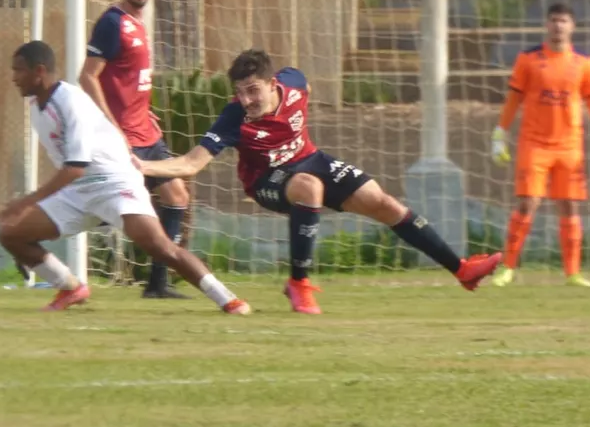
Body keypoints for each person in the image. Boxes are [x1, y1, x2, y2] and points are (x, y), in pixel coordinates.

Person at [134, 49, 502, 314]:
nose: (245, 99)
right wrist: (143, 167)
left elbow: (302, 79)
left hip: (312, 159)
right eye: (240, 92)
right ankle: (299, 283)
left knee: (384, 203)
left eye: (253, 90)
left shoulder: (294, 84)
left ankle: (462, 269)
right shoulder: (235, 117)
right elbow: (192, 164)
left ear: (273, 83)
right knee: (309, 187)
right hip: (267, 180)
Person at [0, 40, 250, 315]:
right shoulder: (37, 107)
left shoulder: (70, 101)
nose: (14, 78)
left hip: (114, 183)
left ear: (39, 71)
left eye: (19, 70)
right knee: (12, 233)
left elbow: (75, 166)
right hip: (78, 191)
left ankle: (229, 300)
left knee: (160, 246)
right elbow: (71, 169)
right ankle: (70, 287)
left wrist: (27, 201)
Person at [80, 0, 193, 299]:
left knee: (176, 197)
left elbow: (131, 80)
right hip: (123, 138)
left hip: (146, 131)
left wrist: (147, 111)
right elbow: (87, 76)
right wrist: (113, 126)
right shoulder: (112, 23)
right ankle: (40, 240)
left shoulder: (140, 22)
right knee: (107, 210)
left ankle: (157, 283)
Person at [490, 2, 590, 287]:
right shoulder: (528, 59)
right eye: (553, 20)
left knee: (570, 207)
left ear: (572, 26)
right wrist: (500, 133)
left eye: (563, 21)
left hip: (569, 147)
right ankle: (508, 268)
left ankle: (573, 273)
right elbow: (514, 98)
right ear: (546, 25)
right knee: (528, 204)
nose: (558, 26)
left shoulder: (584, 63)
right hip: (534, 144)